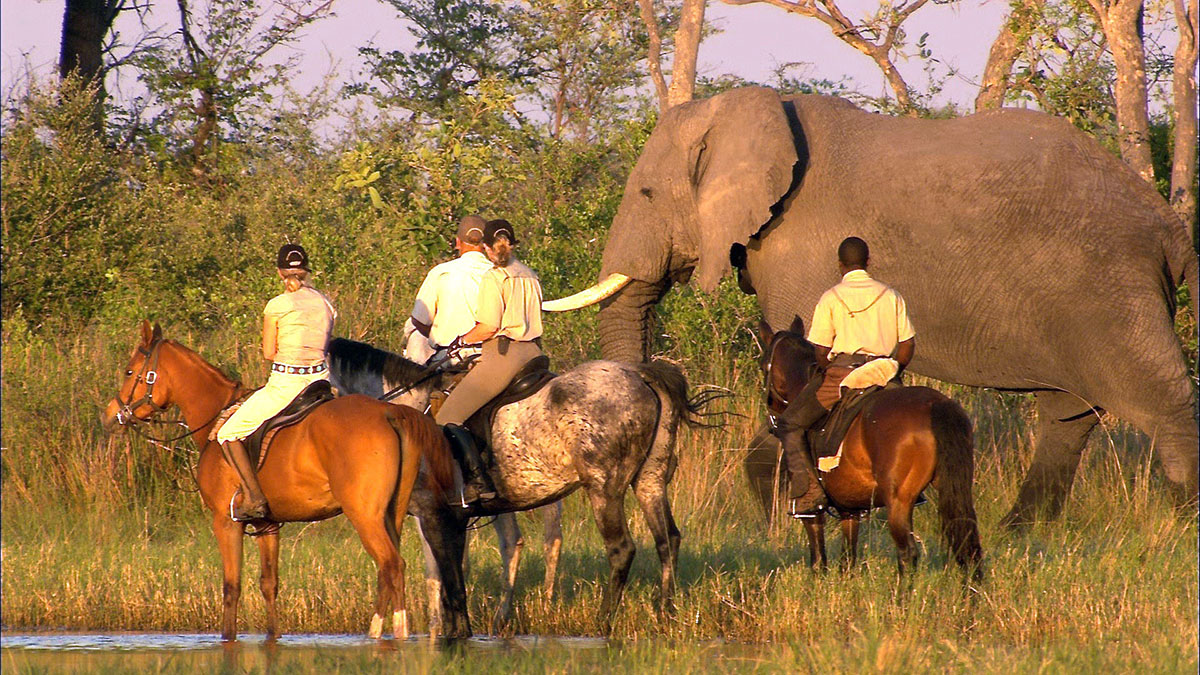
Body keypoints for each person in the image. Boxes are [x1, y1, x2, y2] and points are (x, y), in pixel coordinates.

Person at [774, 236, 915, 518]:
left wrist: (826, 365)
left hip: (842, 375)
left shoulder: (831, 298)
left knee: (789, 423)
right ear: (868, 262)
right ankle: (915, 487)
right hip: (884, 375)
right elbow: (907, 346)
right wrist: (894, 369)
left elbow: (821, 349)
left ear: (840, 266)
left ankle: (809, 494)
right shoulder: (891, 295)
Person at [215, 244, 336, 521]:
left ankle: (254, 498)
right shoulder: (326, 303)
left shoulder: (277, 305)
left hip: (287, 384)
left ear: (280, 272)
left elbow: (269, 352)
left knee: (229, 433)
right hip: (321, 381)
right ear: (307, 270)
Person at [435, 218, 544, 503]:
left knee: (447, 417)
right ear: (513, 244)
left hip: (504, 356)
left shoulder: (494, 278)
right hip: (535, 353)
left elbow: (488, 327)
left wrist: (460, 341)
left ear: (484, 247)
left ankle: (479, 482)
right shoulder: (530, 274)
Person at [404, 215, 494, 365]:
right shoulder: (500, 274)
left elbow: (419, 321)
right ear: (486, 245)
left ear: (458, 242)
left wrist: (436, 336)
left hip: (448, 359)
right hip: (490, 359)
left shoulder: (440, 273)